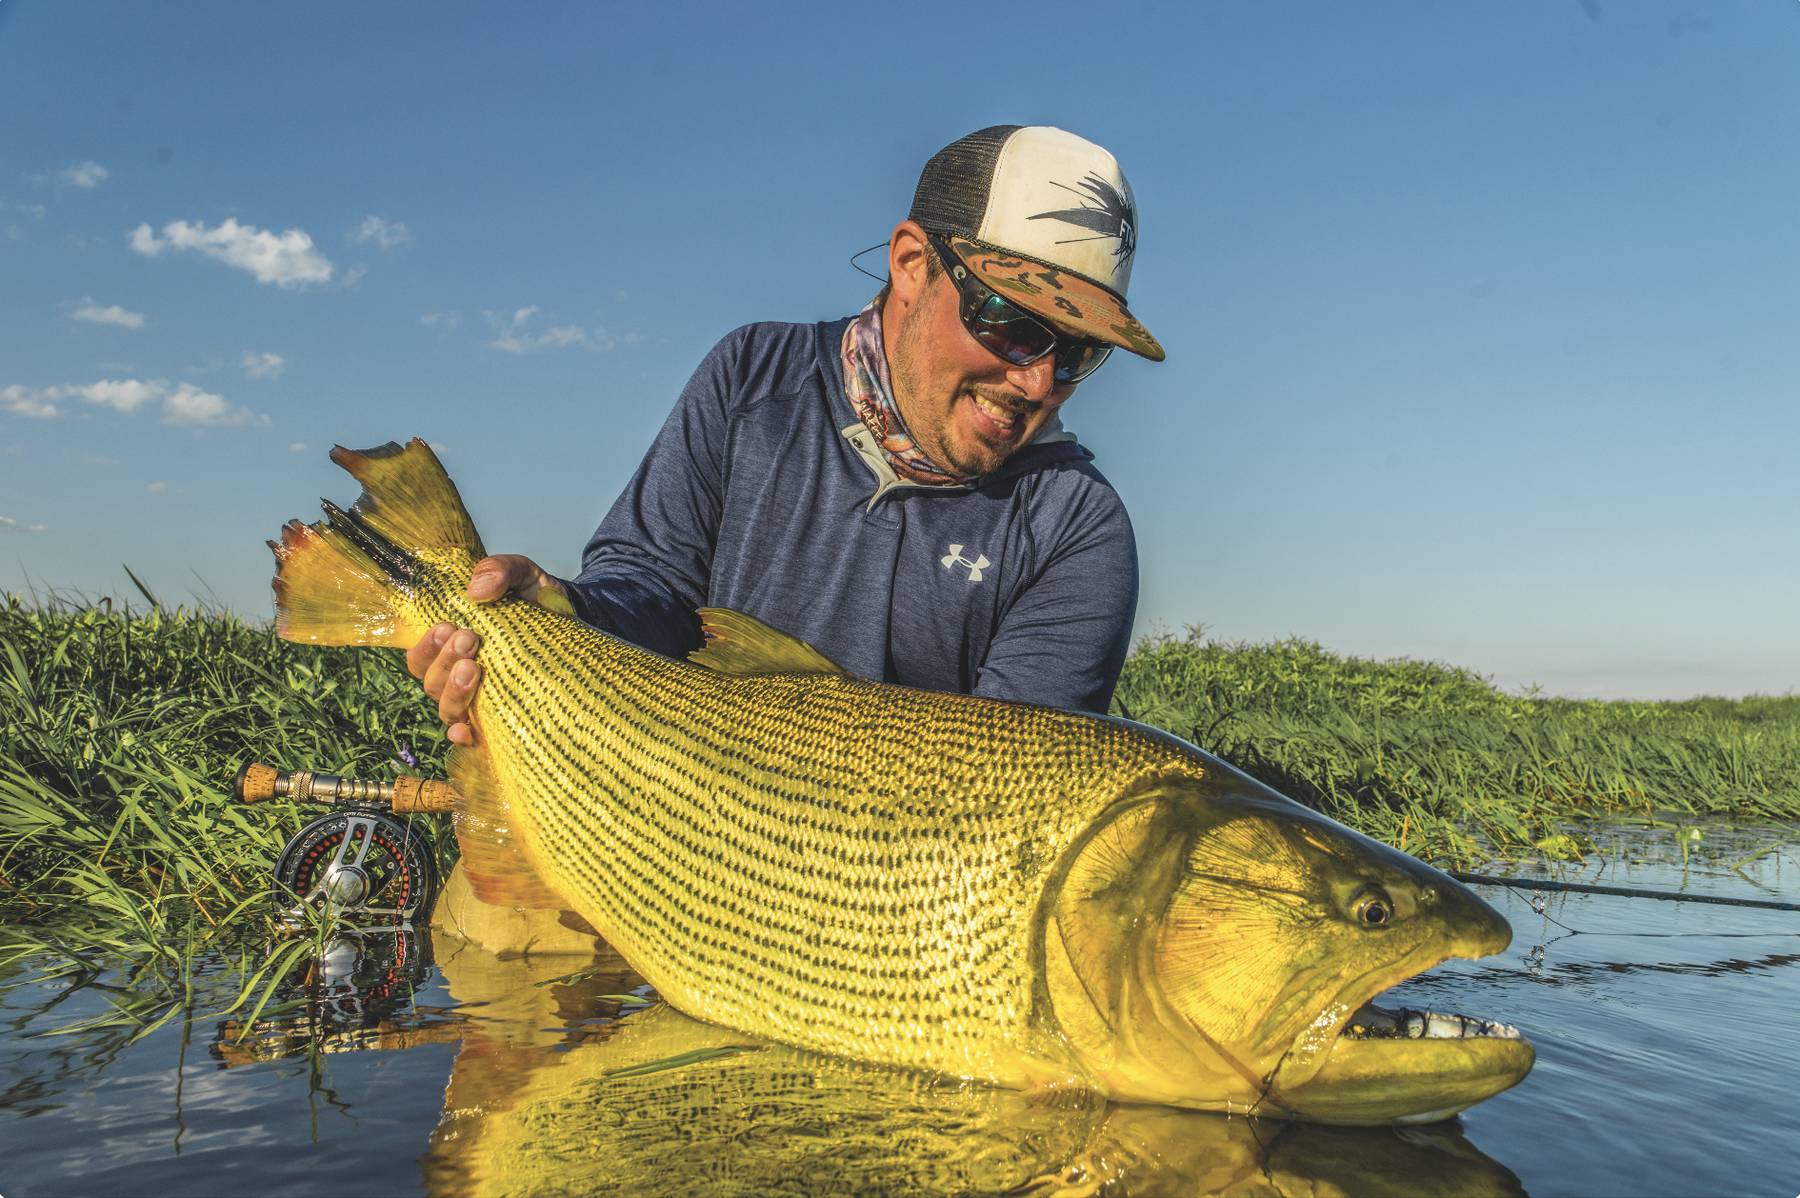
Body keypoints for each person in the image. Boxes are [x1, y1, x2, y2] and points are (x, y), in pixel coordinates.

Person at [408, 125, 1166, 740]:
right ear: (911, 264)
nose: (1038, 381)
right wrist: (560, 615)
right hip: (652, 811)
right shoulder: (754, 375)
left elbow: (1006, 779)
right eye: (1013, 324)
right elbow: (653, 586)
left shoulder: (1077, 527)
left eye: (1077, 351)